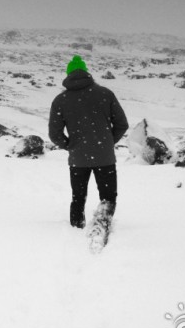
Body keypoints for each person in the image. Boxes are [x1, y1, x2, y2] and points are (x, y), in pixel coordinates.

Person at [48, 55, 128, 228]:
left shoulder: (60, 100)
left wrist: (70, 146)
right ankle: (103, 224)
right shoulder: (105, 94)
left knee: (78, 197)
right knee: (108, 196)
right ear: (86, 73)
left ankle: (77, 227)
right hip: (105, 158)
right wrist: (107, 142)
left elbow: (54, 134)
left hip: (78, 159)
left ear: (68, 75)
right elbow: (122, 124)